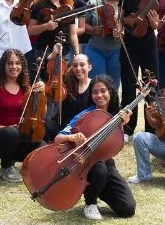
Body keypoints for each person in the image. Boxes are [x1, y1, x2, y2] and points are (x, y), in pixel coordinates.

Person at [54, 75, 136, 220]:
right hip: (87, 165)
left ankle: (97, 188)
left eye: (103, 91)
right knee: (99, 169)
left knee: (127, 208)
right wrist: (72, 137)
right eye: (95, 92)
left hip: (107, 163)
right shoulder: (85, 115)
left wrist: (121, 126)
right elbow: (58, 138)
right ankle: (90, 203)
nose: (99, 95)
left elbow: (114, 147)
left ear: (111, 91)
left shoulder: (116, 116)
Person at [0, 49, 45, 183]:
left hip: (19, 137)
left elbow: (41, 113)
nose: (14, 67)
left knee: (42, 145)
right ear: (3, 66)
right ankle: (5, 168)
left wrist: (42, 94)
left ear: (22, 66)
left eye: (18, 63)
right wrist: (4, 127)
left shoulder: (25, 87)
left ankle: (30, 166)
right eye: (10, 63)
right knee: (10, 133)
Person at [120, 0, 160, 140]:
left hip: (148, 43)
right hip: (129, 42)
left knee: (150, 84)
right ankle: (128, 128)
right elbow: (121, 19)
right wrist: (120, 29)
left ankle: (151, 129)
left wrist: (154, 24)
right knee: (128, 85)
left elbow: (156, 24)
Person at [27, 0, 79, 76]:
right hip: (44, 52)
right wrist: (46, 26)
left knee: (63, 84)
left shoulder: (68, 6)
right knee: (44, 82)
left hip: (64, 52)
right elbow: (30, 30)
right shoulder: (39, 6)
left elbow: (73, 34)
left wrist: (77, 54)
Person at [84, 0, 124, 87]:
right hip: (95, 49)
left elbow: (125, 26)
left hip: (116, 51)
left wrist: (120, 32)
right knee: (96, 84)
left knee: (113, 86)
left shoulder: (123, 6)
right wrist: (92, 29)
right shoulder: (93, 3)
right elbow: (82, 25)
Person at [46, 51, 93, 139]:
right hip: (61, 128)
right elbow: (49, 71)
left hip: (81, 132)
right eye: (75, 65)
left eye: (82, 65)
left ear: (89, 67)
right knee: (45, 124)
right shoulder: (66, 82)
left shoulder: (94, 86)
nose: (78, 68)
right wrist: (53, 54)